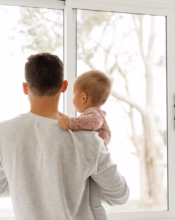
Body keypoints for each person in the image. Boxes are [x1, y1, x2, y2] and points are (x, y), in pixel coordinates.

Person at [0, 53, 129, 220]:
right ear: (64, 86)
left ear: (25, 88)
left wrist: (31, 182)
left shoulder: (4, 132)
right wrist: (70, 184)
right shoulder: (88, 138)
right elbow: (120, 195)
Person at [58, 70, 112, 220]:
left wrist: (70, 122)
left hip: (96, 163)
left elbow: (94, 122)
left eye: (74, 94)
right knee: (90, 201)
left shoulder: (94, 113)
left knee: (94, 203)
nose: (72, 98)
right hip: (92, 162)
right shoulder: (91, 113)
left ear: (83, 97)